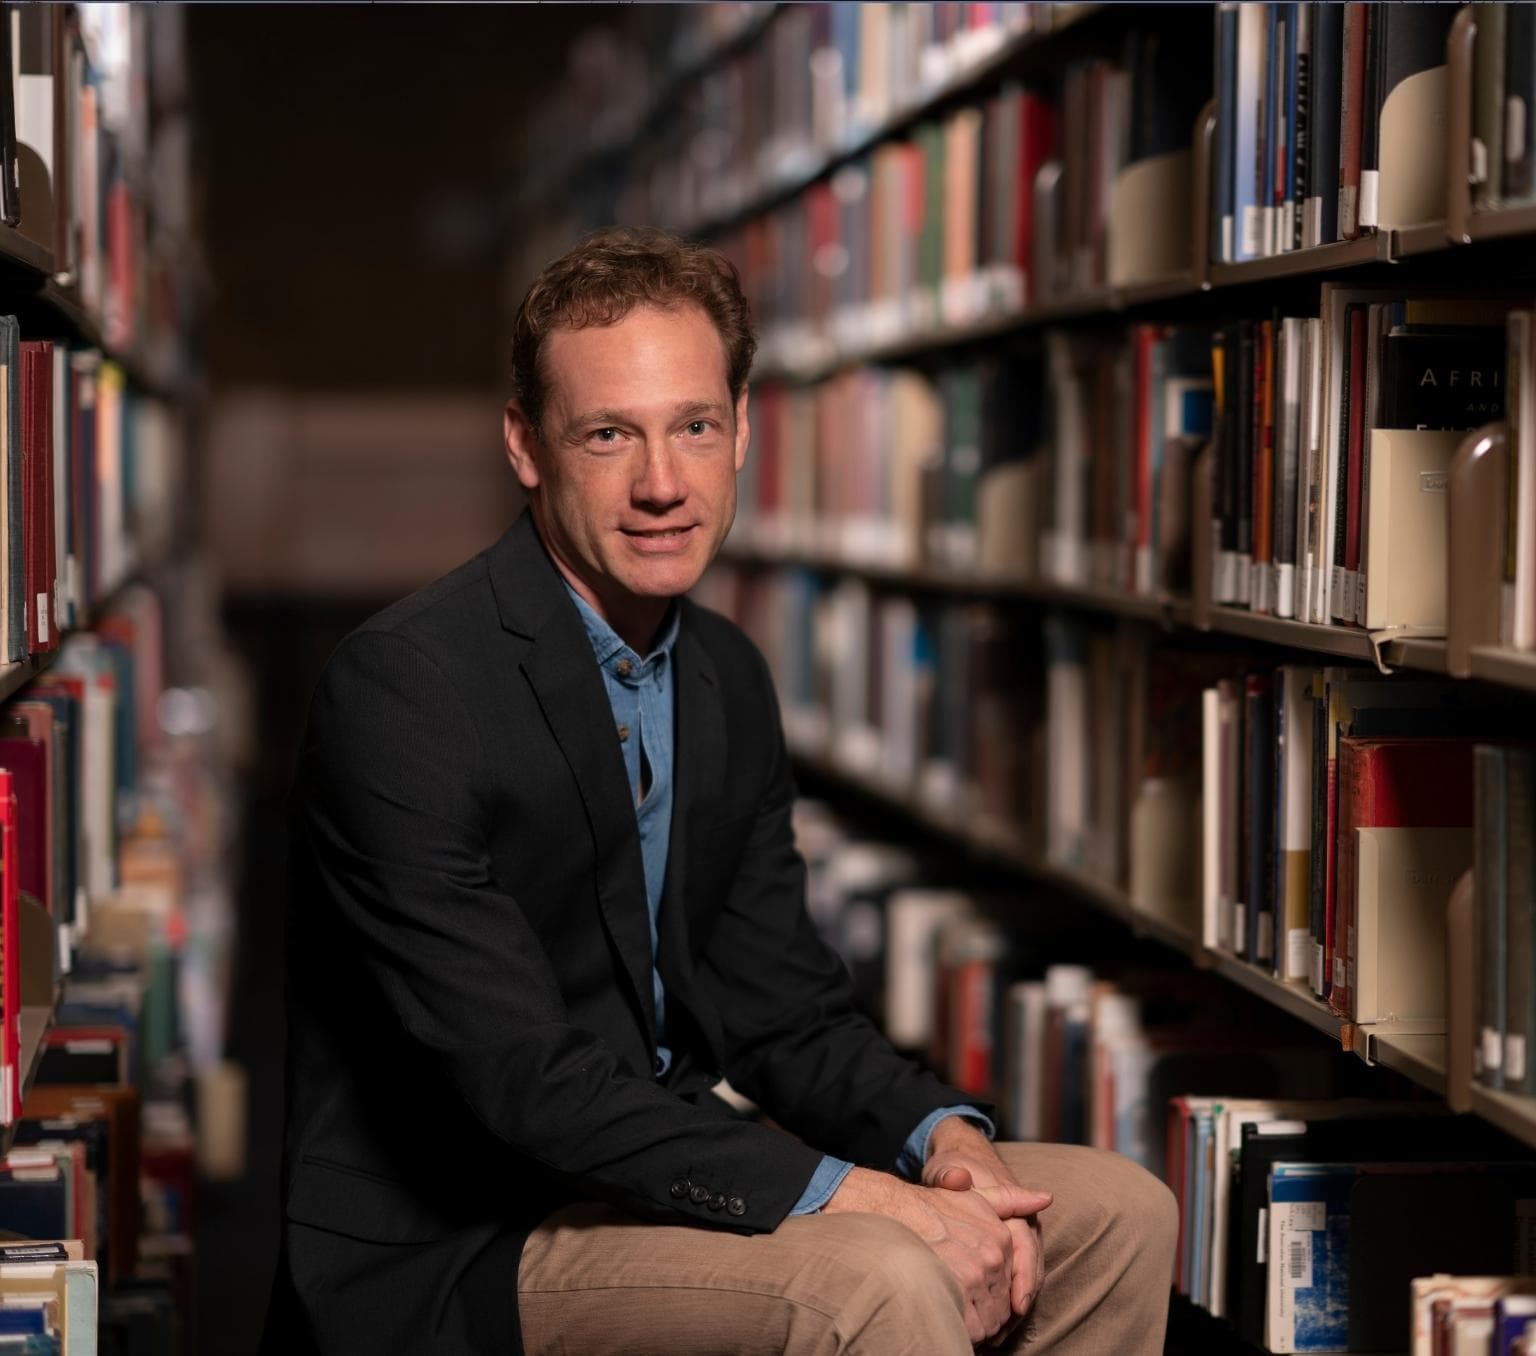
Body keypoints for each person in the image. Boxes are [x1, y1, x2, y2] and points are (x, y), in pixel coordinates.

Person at [264, 226, 1177, 1356]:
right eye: (609, 435)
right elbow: (524, 1081)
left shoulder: (726, 676)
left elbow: (780, 1007)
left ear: (741, 431)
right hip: (475, 1230)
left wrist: (943, 1142)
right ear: (526, 446)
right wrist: (866, 1198)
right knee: (880, 1275)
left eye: (694, 426)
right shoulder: (405, 688)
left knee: (1120, 1212)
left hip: (665, 1168)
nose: (661, 484)